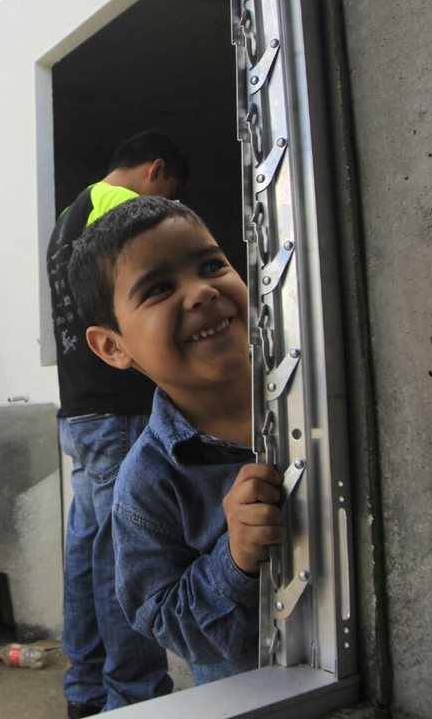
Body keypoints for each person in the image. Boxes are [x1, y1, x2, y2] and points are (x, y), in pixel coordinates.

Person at [67, 197, 284, 684]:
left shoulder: (319, 390)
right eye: (159, 288)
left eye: (211, 265)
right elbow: (169, 624)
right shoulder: (147, 486)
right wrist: (236, 561)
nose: (202, 292)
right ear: (113, 346)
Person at [46, 131, 186, 716]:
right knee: (127, 555)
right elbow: (152, 300)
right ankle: (132, 698)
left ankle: (85, 690)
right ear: (156, 170)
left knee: (87, 548)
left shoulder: (68, 216)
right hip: (119, 409)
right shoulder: (124, 210)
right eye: (171, 191)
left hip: (80, 411)